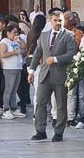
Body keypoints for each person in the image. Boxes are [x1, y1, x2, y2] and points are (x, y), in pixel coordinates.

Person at [28, 9, 75, 141]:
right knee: (40, 102)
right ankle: (40, 130)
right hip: (44, 74)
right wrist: (31, 71)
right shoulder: (44, 35)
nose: (58, 23)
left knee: (60, 104)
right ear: (50, 21)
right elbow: (38, 53)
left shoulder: (69, 35)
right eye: (55, 20)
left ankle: (59, 132)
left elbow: (71, 54)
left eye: (60, 20)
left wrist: (55, 59)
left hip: (60, 75)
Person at [0, 23, 26, 118]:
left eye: (17, 32)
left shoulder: (15, 41)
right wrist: (15, 52)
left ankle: (14, 108)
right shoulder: (4, 42)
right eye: (14, 32)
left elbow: (24, 47)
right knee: (8, 89)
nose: (16, 34)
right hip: (9, 68)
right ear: (8, 32)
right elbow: (2, 54)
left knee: (14, 90)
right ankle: (6, 109)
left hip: (18, 67)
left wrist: (19, 39)